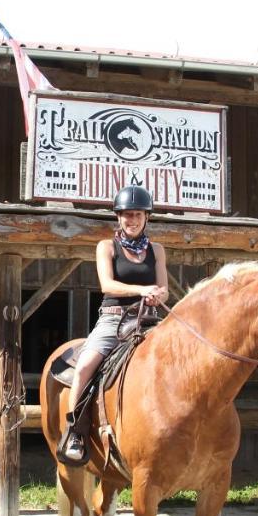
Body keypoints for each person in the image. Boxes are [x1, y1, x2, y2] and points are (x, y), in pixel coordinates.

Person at [59, 185, 168, 464]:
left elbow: (164, 288)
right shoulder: (106, 247)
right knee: (84, 366)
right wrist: (142, 290)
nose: (132, 220)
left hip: (149, 318)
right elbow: (107, 284)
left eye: (137, 215)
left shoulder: (157, 250)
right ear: (118, 217)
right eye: (126, 215)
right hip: (114, 318)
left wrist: (158, 294)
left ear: (147, 218)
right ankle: (76, 433)